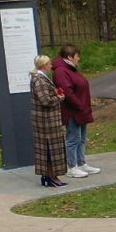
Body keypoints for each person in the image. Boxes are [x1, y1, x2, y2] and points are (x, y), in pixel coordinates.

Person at [51, 44, 97, 179]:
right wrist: (79, 105)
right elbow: (67, 91)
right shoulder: (61, 71)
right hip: (73, 111)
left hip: (81, 110)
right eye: (77, 56)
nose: (79, 59)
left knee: (82, 138)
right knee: (73, 139)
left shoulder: (71, 69)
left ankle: (81, 163)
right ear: (69, 57)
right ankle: (72, 167)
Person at [29, 55, 66, 188]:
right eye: (49, 63)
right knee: (49, 148)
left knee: (48, 148)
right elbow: (45, 100)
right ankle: (51, 176)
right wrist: (58, 98)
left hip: (46, 120)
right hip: (46, 121)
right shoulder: (39, 80)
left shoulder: (41, 78)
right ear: (44, 65)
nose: (51, 66)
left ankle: (49, 176)